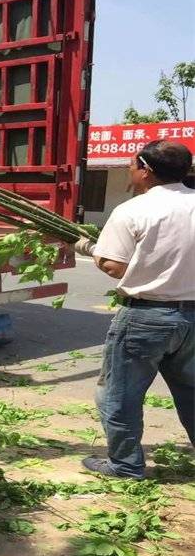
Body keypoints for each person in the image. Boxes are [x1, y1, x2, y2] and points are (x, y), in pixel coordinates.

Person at [74, 140, 195, 479]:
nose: (130, 171)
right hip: (192, 317)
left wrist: (92, 248)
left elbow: (115, 266)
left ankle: (126, 465)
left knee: (119, 396)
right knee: (192, 393)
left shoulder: (133, 210)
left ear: (146, 170)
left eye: (131, 165)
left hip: (145, 317)